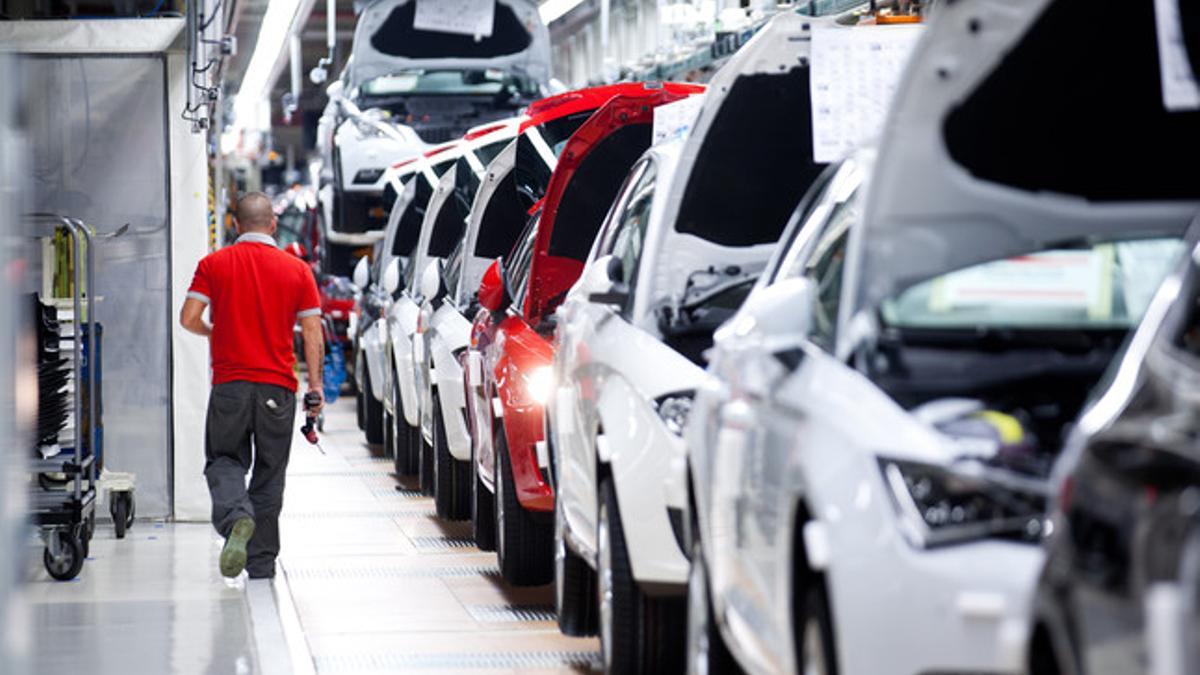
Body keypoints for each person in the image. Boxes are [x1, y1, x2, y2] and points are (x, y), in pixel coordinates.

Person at [179, 192, 325, 579]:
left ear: (235, 224)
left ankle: (235, 518)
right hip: (278, 388)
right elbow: (313, 333)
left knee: (224, 460)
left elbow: (189, 318)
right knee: (269, 473)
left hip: (230, 386)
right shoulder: (297, 271)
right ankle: (260, 564)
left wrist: (215, 331)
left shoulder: (214, 264)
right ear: (273, 224)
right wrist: (316, 386)